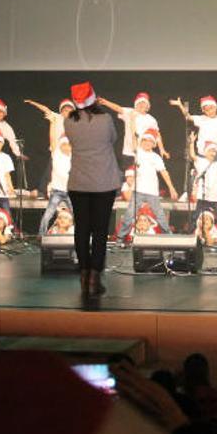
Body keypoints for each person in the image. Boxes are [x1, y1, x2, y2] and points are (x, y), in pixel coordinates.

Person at [66, 82, 122, 296]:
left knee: (82, 229)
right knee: (99, 231)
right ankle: (94, 277)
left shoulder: (68, 121)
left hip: (78, 183)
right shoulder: (105, 119)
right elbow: (113, 139)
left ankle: (83, 274)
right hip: (103, 183)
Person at [116, 128, 178, 241]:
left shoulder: (156, 157)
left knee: (160, 216)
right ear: (141, 142)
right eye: (144, 140)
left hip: (152, 191)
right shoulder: (138, 152)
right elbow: (134, 139)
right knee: (129, 214)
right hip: (138, 191)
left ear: (153, 144)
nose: (147, 143)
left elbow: (164, 172)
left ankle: (169, 237)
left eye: (150, 141)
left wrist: (172, 188)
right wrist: (133, 120)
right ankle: (120, 238)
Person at [24, 97, 74, 198]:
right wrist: (33, 102)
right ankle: (42, 191)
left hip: (68, 151)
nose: (67, 112)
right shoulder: (57, 117)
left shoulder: (75, 122)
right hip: (56, 149)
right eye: (65, 110)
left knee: (69, 172)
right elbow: (45, 109)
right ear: (61, 111)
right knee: (50, 171)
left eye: (69, 110)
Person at [99, 92, 169, 160]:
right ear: (136, 104)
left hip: (144, 153)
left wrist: (162, 149)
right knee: (129, 171)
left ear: (148, 106)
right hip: (129, 152)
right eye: (139, 103)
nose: (141, 105)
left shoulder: (151, 120)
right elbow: (118, 108)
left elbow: (157, 134)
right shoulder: (130, 112)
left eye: (144, 103)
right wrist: (105, 102)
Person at [169, 95, 217, 164]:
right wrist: (180, 105)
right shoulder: (201, 119)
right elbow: (188, 116)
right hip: (202, 157)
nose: (210, 111)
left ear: (216, 107)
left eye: (211, 108)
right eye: (207, 110)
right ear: (203, 111)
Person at [37, 114, 73, 236]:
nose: (65, 147)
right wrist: (52, 123)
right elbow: (52, 139)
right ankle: (41, 236)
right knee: (48, 214)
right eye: (63, 144)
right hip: (57, 191)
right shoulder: (57, 154)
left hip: (71, 191)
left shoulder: (75, 157)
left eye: (68, 145)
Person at [188, 133, 217, 234]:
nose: (212, 153)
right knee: (195, 217)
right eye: (210, 151)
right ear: (205, 152)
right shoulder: (200, 161)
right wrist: (192, 142)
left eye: (214, 151)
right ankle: (190, 237)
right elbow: (192, 155)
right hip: (203, 197)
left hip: (216, 197)